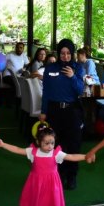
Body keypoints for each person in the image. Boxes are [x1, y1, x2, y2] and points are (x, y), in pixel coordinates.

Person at [0, 126, 86, 206]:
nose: (50, 146)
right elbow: (17, 149)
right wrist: (3, 144)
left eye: (52, 143)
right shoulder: (33, 152)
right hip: (37, 184)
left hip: (51, 186)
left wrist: (85, 156)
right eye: (46, 143)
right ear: (38, 142)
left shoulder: (56, 153)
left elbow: (71, 156)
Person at [39, 39, 85, 190]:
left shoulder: (78, 68)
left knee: (73, 144)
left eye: (68, 53)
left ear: (72, 54)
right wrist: (43, 111)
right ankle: (58, 174)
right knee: (56, 144)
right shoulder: (50, 68)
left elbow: (80, 91)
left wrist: (72, 77)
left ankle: (72, 176)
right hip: (54, 111)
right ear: (58, 54)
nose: (65, 56)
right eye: (62, 53)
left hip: (72, 111)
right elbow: (46, 92)